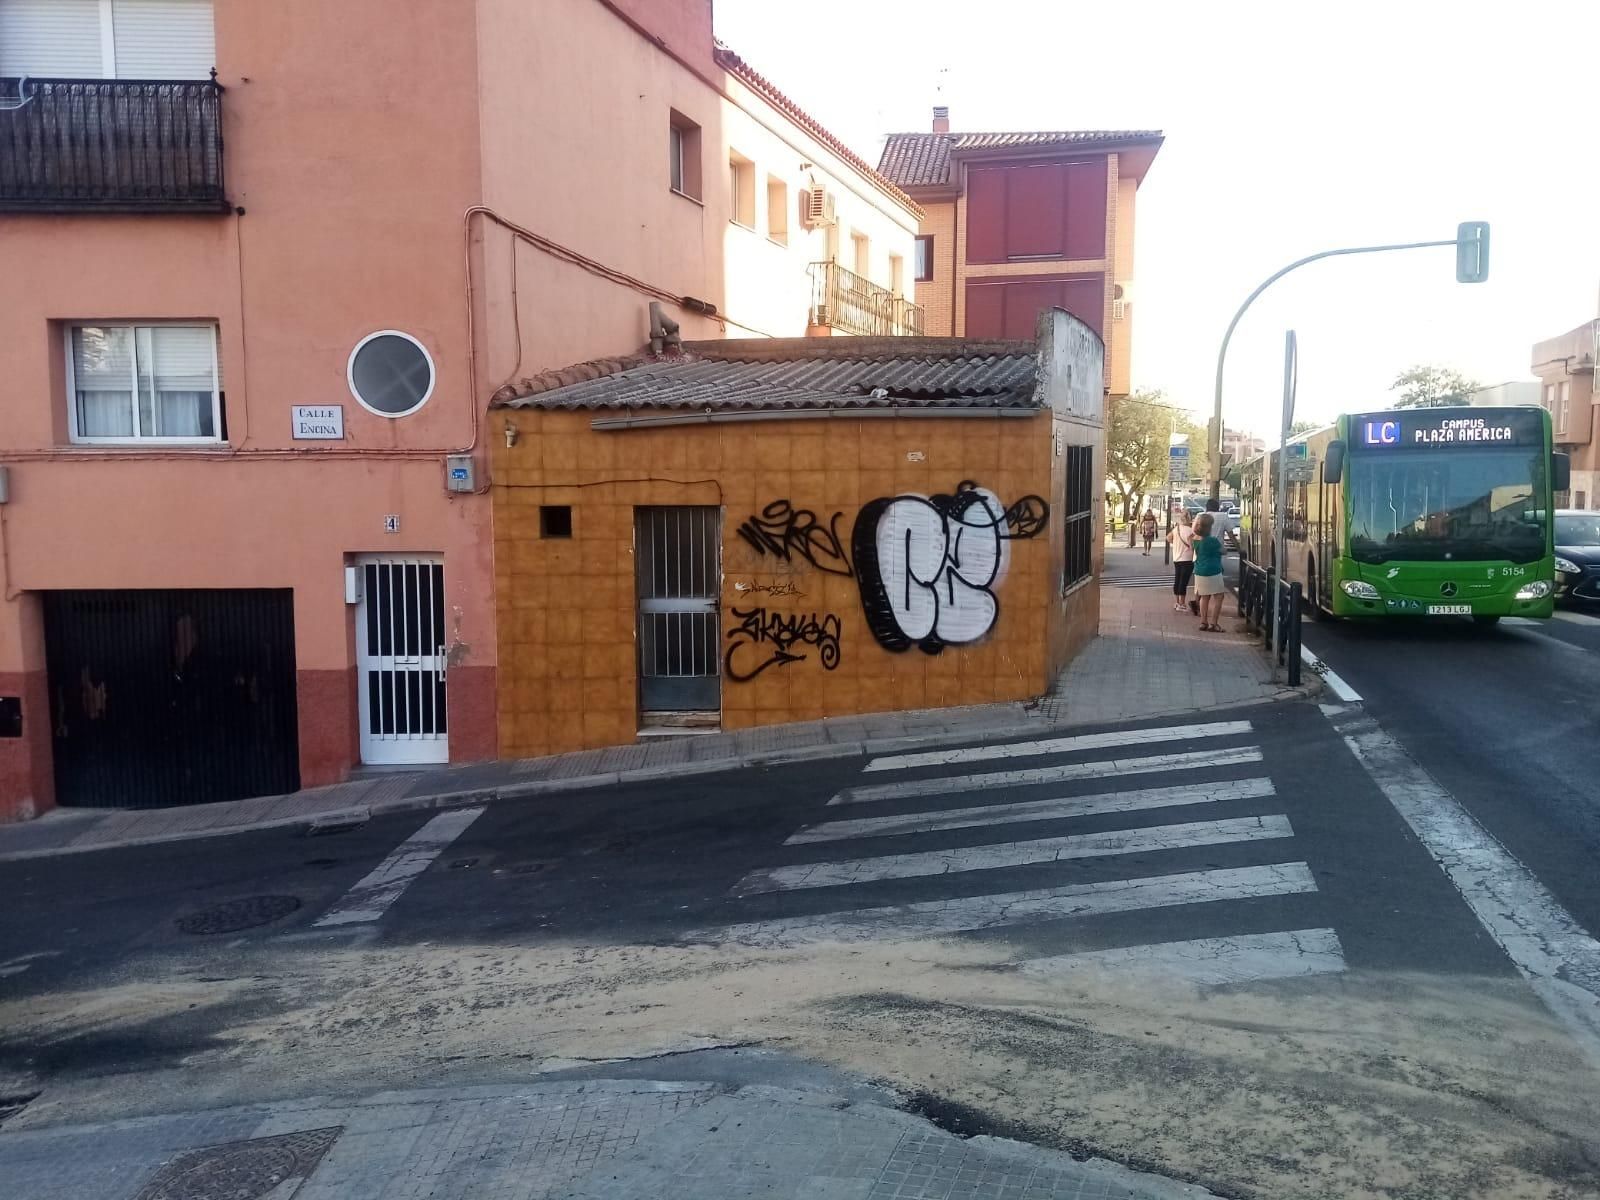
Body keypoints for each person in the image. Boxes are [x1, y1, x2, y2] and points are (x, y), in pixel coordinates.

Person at [1192, 511, 1226, 631]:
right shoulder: (1212, 541)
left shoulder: (1195, 539)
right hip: (1214, 570)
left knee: (1204, 597)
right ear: (1209, 527)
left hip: (1200, 570)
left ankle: (1203, 622)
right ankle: (1214, 623)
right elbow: (1224, 551)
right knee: (1219, 597)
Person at [1168, 509, 1195, 613]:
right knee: (1183, 581)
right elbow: (1193, 545)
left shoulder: (1176, 529)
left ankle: (1177, 602)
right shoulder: (1191, 531)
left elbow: (1168, 538)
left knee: (1178, 579)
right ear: (1189, 518)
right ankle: (1182, 604)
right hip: (1187, 558)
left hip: (1176, 558)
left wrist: (1176, 544)